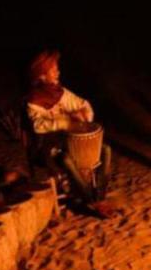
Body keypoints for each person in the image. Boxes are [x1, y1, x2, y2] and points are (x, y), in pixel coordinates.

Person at [25, 49, 112, 203]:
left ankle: (100, 193)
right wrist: (66, 121)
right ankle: (91, 199)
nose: (58, 72)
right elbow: (38, 125)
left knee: (105, 150)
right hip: (45, 147)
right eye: (53, 70)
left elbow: (83, 104)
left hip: (68, 143)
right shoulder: (34, 99)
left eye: (56, 68)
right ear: (42, 76)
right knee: (66, 159)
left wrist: (85, 115)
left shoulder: (59, 92)